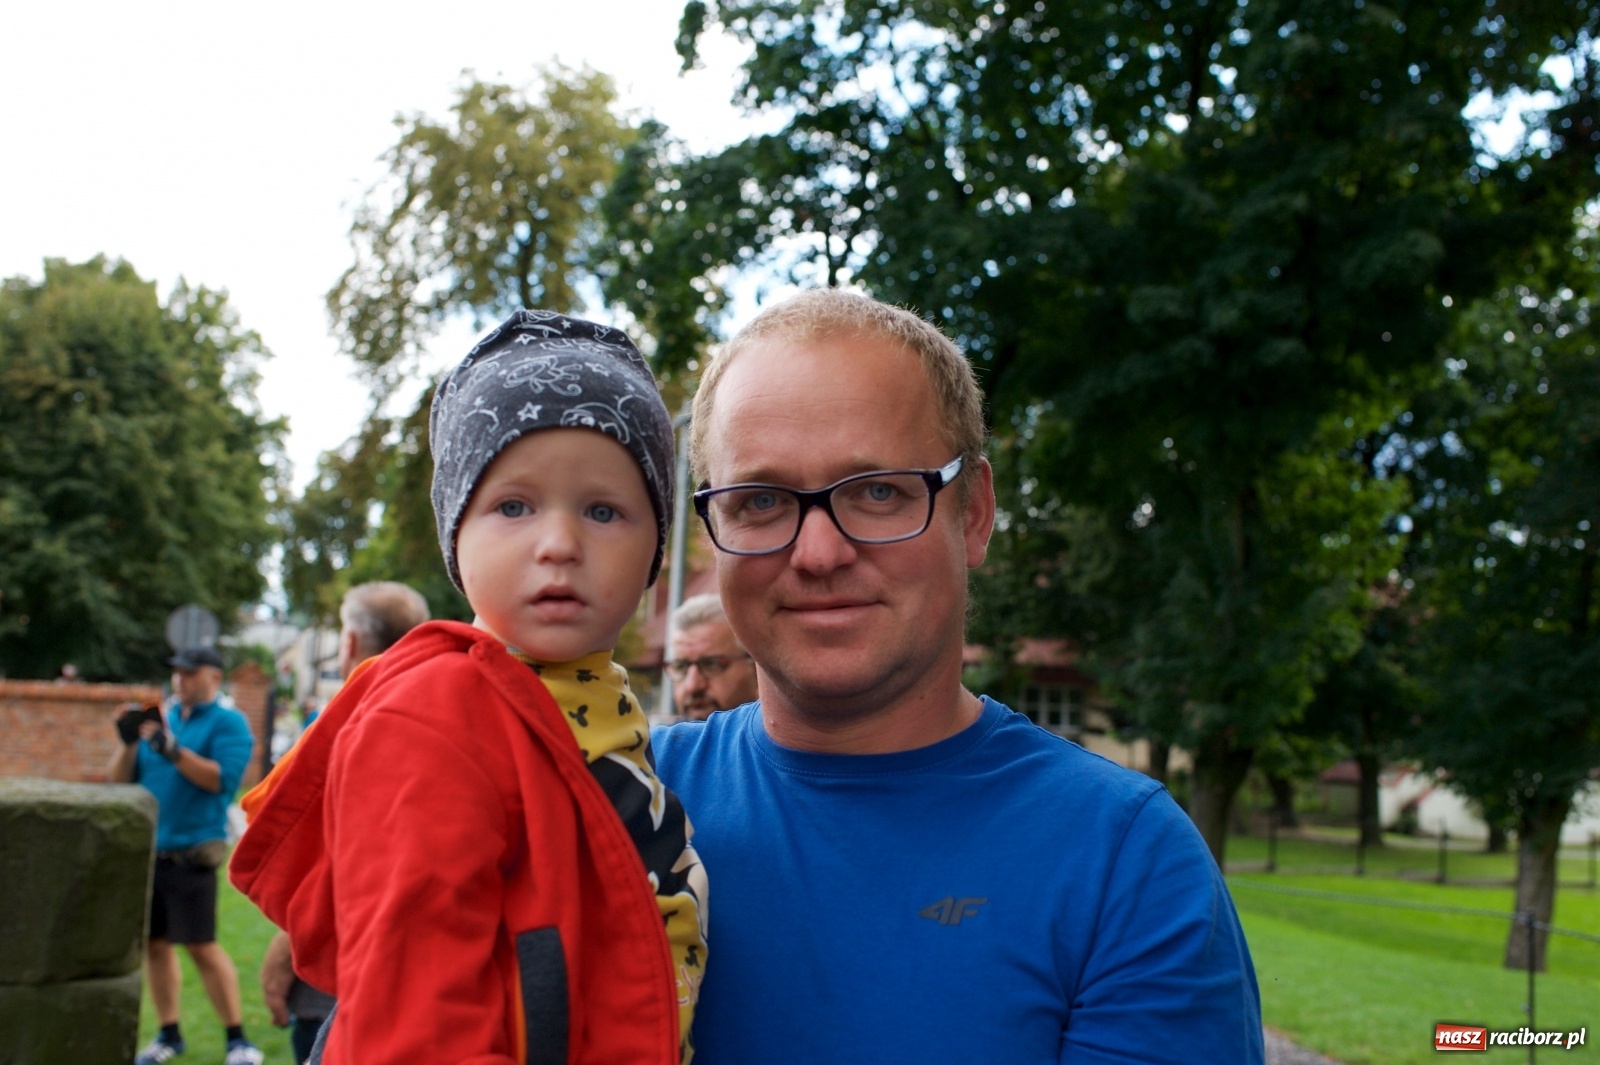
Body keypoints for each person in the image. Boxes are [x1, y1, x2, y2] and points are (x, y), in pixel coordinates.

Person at [651, 289, 1264, 1063]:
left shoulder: (1126, 863)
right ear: (712, 530)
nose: (817, 553)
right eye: (761, 500)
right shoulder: (615, 807)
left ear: (972, 512)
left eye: (878, 491)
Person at [231, 310, 708, 1064]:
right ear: (458, 533)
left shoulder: (600, 701)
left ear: (655, 544)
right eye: (512, 506)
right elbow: (417, 1032)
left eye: (604, 509)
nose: (558, 544)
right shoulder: (434, 714)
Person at [257, 580, 430, 1064]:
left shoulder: (344, 725)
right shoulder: (447, 718)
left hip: (337, 960)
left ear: (349, 642)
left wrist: (282, 952)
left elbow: (326, 861)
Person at [108, 646, 263, 1065]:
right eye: (176, 672)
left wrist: (172, 750)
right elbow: (120, 781)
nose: (180, 680)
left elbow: (222, 780)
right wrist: (127, 744)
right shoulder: (161, 720)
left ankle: (238, 1040)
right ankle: (169, 1034)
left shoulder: (229, 723)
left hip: (192, 856)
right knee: (155, 947)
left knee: (201, 946)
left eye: (190, 673)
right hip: (149, 855)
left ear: (213, 677)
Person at [666, 593, 758, 721]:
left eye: (711, 665)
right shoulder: (658, 739)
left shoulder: (788, 738)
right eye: (681, 667)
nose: (692, 685)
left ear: (756, 668)